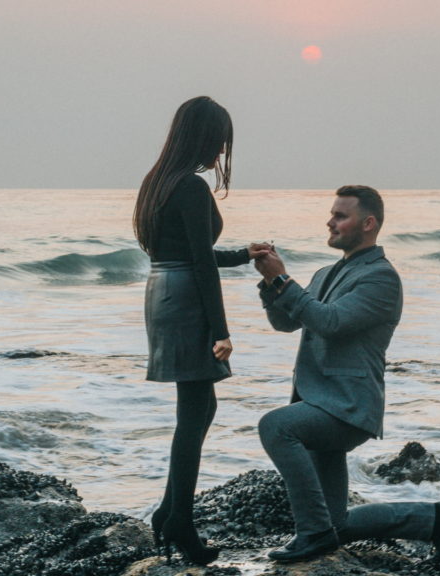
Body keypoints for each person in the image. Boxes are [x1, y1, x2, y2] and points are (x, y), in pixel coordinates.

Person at [252, 185, 440, 564]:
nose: (330, 221)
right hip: (319, 400)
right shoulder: (325, 272)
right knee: (337, 525)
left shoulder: (381, 278)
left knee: (275, 427)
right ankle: (434, 519)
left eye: (340, 216)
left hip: (348, 407)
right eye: (332, 214)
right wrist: (271, 283)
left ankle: (311, 534)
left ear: (368, 223)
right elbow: (285, 322)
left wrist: (284, 282)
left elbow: (330, 322)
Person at [133, 96, 268, 566]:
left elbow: (188, 252)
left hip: (162, 291)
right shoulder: (190, 186)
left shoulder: (157, 182)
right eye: (219, 142)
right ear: (203, 139)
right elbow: (201, 268)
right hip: (187, 298)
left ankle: (171, 512)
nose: (221, 153)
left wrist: (241, 255)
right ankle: (179, 523)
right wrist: (222, 331)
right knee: (195, 413)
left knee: (197, 408)